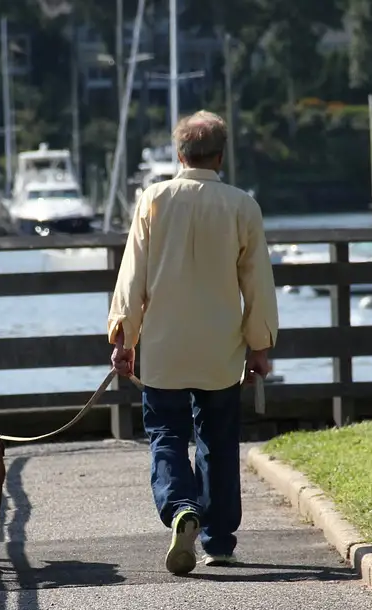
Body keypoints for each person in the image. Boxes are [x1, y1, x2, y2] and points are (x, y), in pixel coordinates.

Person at [107, 110, 280, 575]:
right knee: (218, 441)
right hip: (219, 349)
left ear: (179, 153)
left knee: (166, 435)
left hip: (164, 347)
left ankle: (181, 507)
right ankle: (219, 539)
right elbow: (257, 284)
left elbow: (133, 278)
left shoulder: (153, 200)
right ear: (220, 156)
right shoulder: (243, 206)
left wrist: (124, 336)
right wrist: (259, 345)